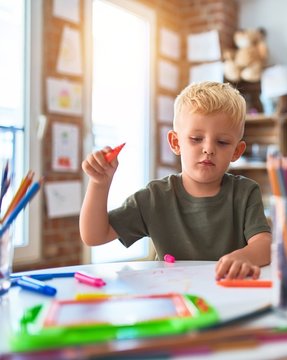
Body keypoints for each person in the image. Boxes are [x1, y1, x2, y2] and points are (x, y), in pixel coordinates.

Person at [80, 81, 271, 280]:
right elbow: (94, 235)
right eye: (196, 139)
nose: (208, 149)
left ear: (237, 151)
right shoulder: (155, 197)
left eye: (222, 142)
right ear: (175, 142)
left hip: (227, 291)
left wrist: (244, 257)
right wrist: (99, 184)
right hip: (172, 296)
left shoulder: (245, 192)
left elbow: (264, 244)